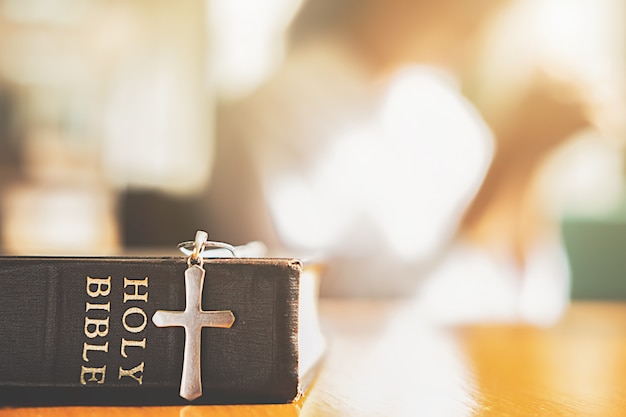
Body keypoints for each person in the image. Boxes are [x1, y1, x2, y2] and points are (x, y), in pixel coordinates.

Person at [207, 0, 592, 324]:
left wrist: (526, 167)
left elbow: (526, 298)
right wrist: (506, 167)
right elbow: (303, 300)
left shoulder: (449, 116)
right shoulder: (272, 112)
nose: (479, 22)